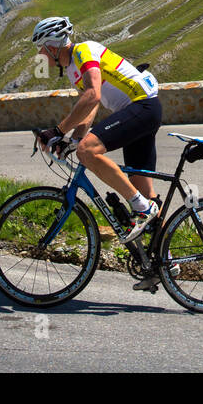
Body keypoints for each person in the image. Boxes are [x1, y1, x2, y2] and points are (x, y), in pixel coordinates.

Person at [30, 16, 164, 262]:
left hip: (142, 106)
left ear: (52, 45)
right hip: (141, 111)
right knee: (145, 192)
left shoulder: (84, 51)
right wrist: (71, 140)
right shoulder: (72, 68)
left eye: (41, 48)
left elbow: (93, 95)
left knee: (88, 151)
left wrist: (58, 131)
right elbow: (91, 108)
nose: (40, 54)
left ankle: (142, 209)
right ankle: (162, 262)